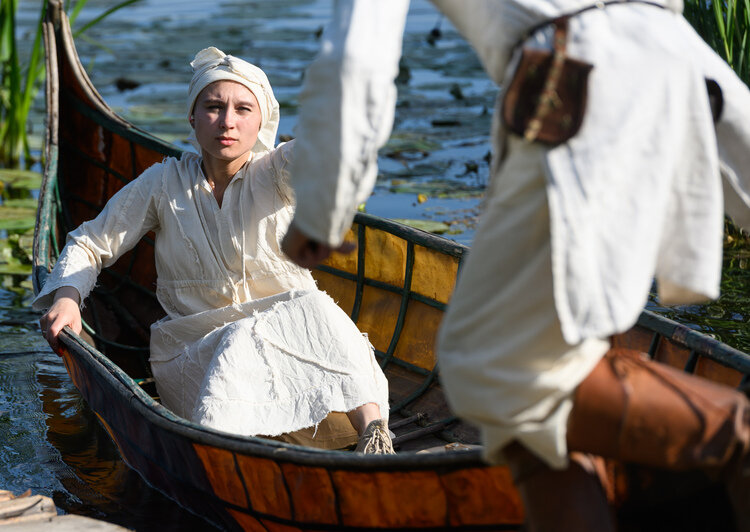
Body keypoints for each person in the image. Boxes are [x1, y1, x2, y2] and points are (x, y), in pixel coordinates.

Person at [280, 0, 750, 528]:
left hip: (574, 78)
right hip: (673, 60)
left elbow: (356, 60)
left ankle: (734, 432)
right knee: (532, 421)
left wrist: (322, 207)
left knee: (489, 365)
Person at [35, 47, 394, 454]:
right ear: (192, 116)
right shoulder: (163, 183)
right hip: (196, 355)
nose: (227, 122)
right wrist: (68, 297)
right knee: (241, 335)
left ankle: (374, 435)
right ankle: (222, 456)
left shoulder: (276, 171)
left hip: (296, 354)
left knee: (313, 306)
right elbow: (90, 242)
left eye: (243, 109)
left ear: (261, 122)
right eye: (213, 106)